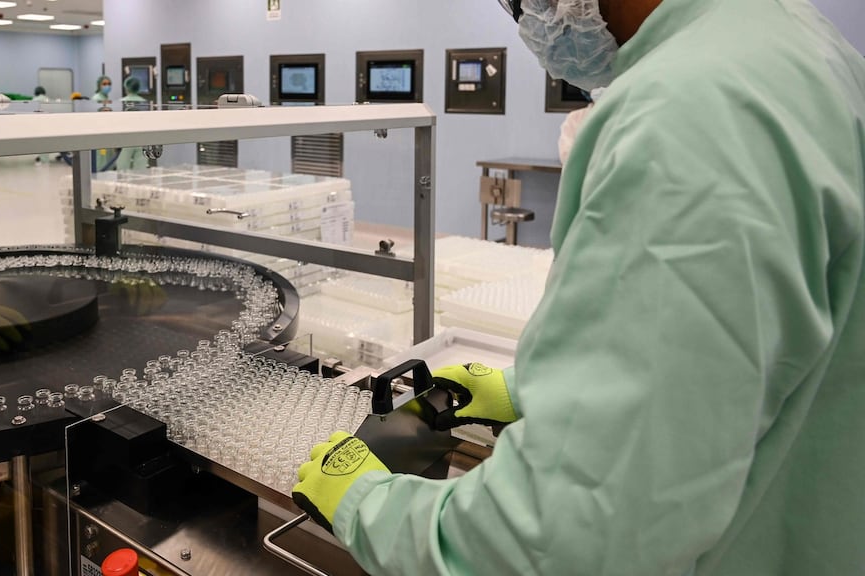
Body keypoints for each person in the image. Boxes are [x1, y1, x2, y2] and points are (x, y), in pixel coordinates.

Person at [292, 0, 865, 574]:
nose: (527, 17)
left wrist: (368, 503)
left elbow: (565, 545)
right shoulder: (799, 44)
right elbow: (740, 355)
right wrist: (531, 390)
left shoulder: (686, 112)